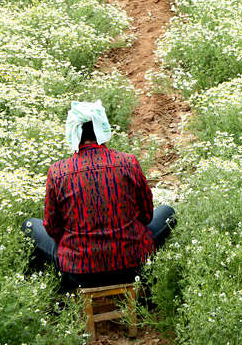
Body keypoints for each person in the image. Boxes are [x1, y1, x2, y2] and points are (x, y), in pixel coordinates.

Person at [22, 101, 176, 289]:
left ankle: (58, 290)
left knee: (29, 226)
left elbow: (52, 228)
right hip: (132, 265)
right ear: (103, 130)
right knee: (168, 212)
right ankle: (149, 284)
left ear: (72, 134)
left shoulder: (58, 171)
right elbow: (146, 216)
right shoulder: (128, 162)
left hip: (80, 271)